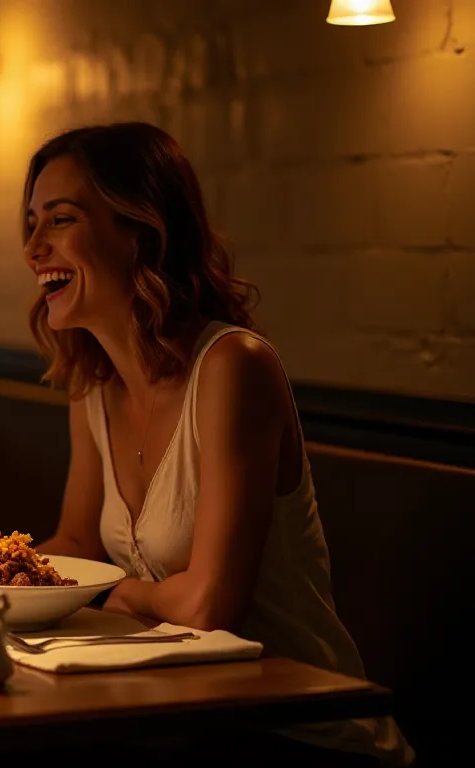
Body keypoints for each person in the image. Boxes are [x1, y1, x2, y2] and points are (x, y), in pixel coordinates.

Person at [24, 123, 411, 767]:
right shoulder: (91, 383)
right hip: (172, 711)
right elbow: (76, 547)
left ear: (139, 231)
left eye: (59, 220)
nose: (34, 247)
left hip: (300, 734)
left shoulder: (234, 366)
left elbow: (207, 605)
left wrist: (126, 593)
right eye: (32, 223)